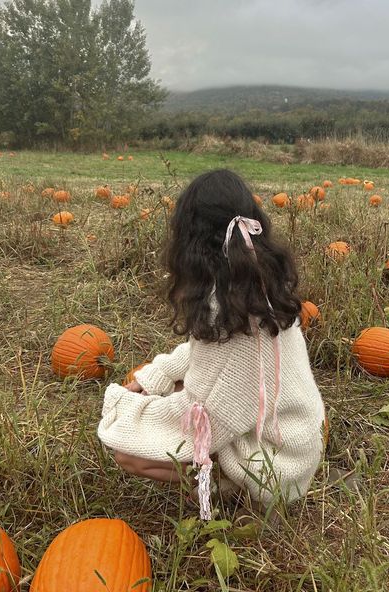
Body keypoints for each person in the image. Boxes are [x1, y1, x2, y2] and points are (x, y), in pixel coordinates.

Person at [98, 169, 326, 520]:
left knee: (128, 454)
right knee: (171, 388)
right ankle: (226, 480)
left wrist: (125, 411)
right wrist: (154, 377)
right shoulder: (255, 285)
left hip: (276, 469)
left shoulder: (232, 313)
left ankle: (232, 492)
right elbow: (200, 352)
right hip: (293, 441)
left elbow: (202, 419)